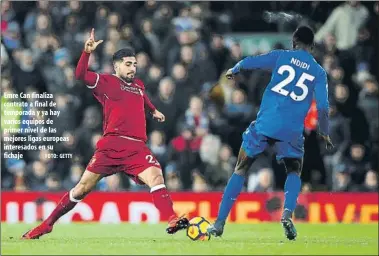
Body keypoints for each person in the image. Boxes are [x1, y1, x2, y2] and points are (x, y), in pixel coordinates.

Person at [22, 29, 189, 239]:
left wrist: (153, 110)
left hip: (136, 147)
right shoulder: (106, 82)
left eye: (135, 64)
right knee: (81, 189)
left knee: (156, 175)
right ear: (116, 65)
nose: (133, 68)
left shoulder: (138, 85)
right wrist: (86, 53)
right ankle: (47, 224)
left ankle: (171, 218)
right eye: (128, 64)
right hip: (112, 146)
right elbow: (80, 75)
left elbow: (142, 98)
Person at [207, 26, 333, 241]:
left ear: (293, 43)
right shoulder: (319, 72)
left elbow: (252, 61)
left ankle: (219, 222)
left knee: (241, 168)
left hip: (266, 123)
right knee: (294, 170)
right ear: (311, 47)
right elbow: (322, 106)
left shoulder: (281, 56)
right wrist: (325, 131)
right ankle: (287, 214)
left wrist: (236, 68)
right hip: (292, 129)